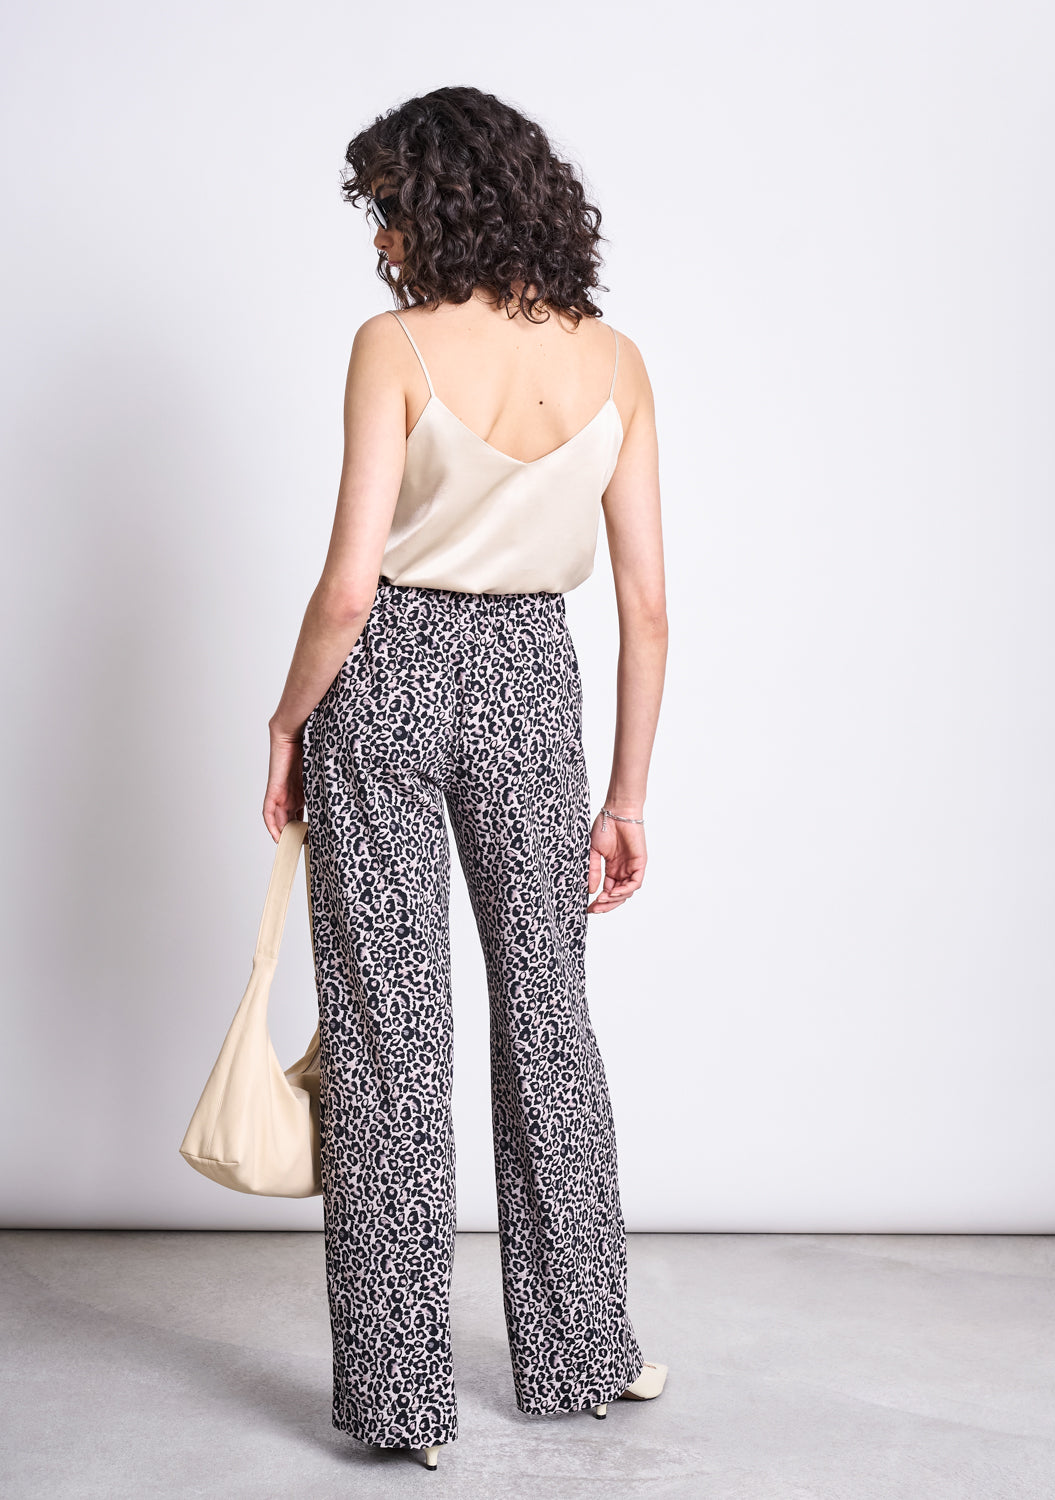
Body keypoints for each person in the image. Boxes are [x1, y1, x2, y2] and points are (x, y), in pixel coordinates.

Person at [260, 87, 669, 1469]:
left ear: (434, 208)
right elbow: (650, 607)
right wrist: (626, 794)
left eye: (386, 208)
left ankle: (400, 1402)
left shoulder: (393, 346)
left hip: (386, 671)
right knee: (550, 1020)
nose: (377, 241)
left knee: (389, 1039)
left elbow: (344, 586)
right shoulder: (613, 362)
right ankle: (582, 1353)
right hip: (534, 680)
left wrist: (286, 720)